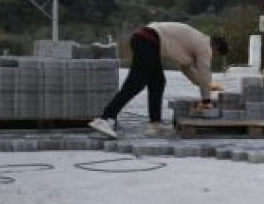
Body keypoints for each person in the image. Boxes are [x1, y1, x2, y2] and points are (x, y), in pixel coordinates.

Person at [89, 22, 229, 139]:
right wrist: (206, 101)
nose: (212, 57)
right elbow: (205, 72)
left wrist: (206, 86)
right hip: (148, 41)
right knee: (135, 83)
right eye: (215, 55)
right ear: (215, 48)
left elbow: (187, 70)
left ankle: (155, 125)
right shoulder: (205, 45)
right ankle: (105, 119)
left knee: (158, 82)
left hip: (148, 41)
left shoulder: (194, 43)